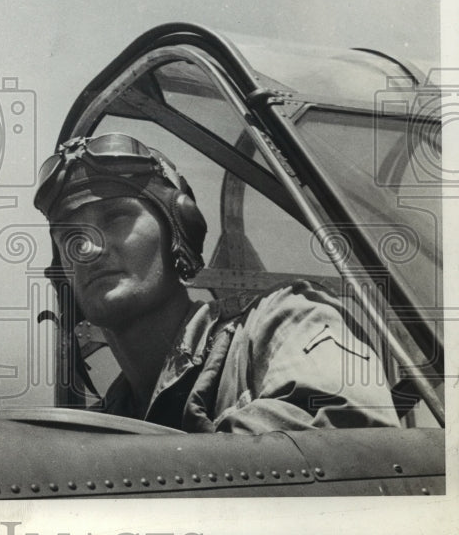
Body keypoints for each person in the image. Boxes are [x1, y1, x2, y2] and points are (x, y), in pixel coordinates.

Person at [34, 132, 401, 433]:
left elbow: (350, 444)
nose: (89, 249)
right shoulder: (99, 432)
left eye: (116, 218)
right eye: (70, 236)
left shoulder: (287, 324)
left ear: (179, 231)